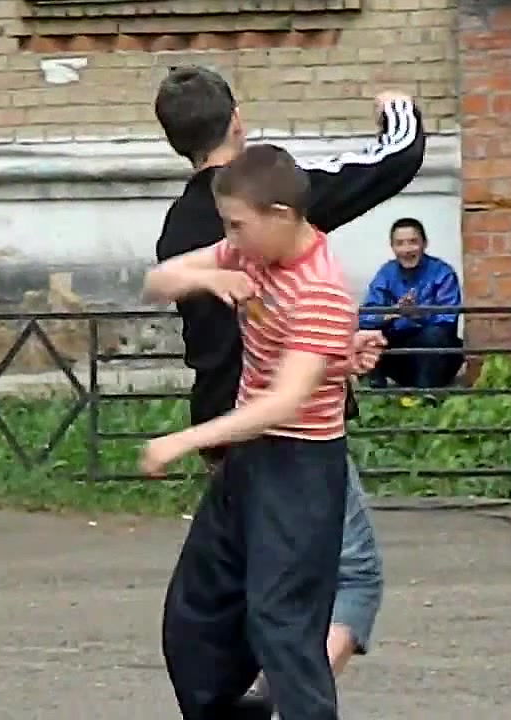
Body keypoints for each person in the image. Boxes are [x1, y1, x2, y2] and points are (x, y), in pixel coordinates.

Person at [151, 65, 426, 717]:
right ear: (236, 121)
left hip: (243, 432)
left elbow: (285, 344)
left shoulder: (185, 221)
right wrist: (399, 107)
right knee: (336, 583)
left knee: (258, 596)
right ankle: (278, 701)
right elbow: (394, 160)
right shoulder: (269, 219)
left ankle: (270, 695)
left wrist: (329, 353)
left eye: (236, 228)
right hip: (276, 441)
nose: (233, 242)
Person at [141, 144, 360, 720]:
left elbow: (284, 402)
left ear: (281, 215)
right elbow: (156, 281)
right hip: (249, 465)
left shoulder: (320, 289)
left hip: (301, 468)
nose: (230, 238)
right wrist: (210, 275)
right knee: (196, 613)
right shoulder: (246, 255)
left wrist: (184, 440)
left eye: (238, 225)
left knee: (281, 623)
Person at [359, 217, 464, 389]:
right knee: (365, 336)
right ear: (392, 247)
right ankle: (375, 393)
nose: (407, 249)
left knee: (434, 336)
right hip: (399, 348)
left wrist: (418, 315)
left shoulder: (442, 272)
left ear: (424, 244)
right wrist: (392, 313)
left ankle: (425, 394)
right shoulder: (386, 273)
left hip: (435, 353)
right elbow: (365, 316)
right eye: (400, 243)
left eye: (413, 242)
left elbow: (447, 320)